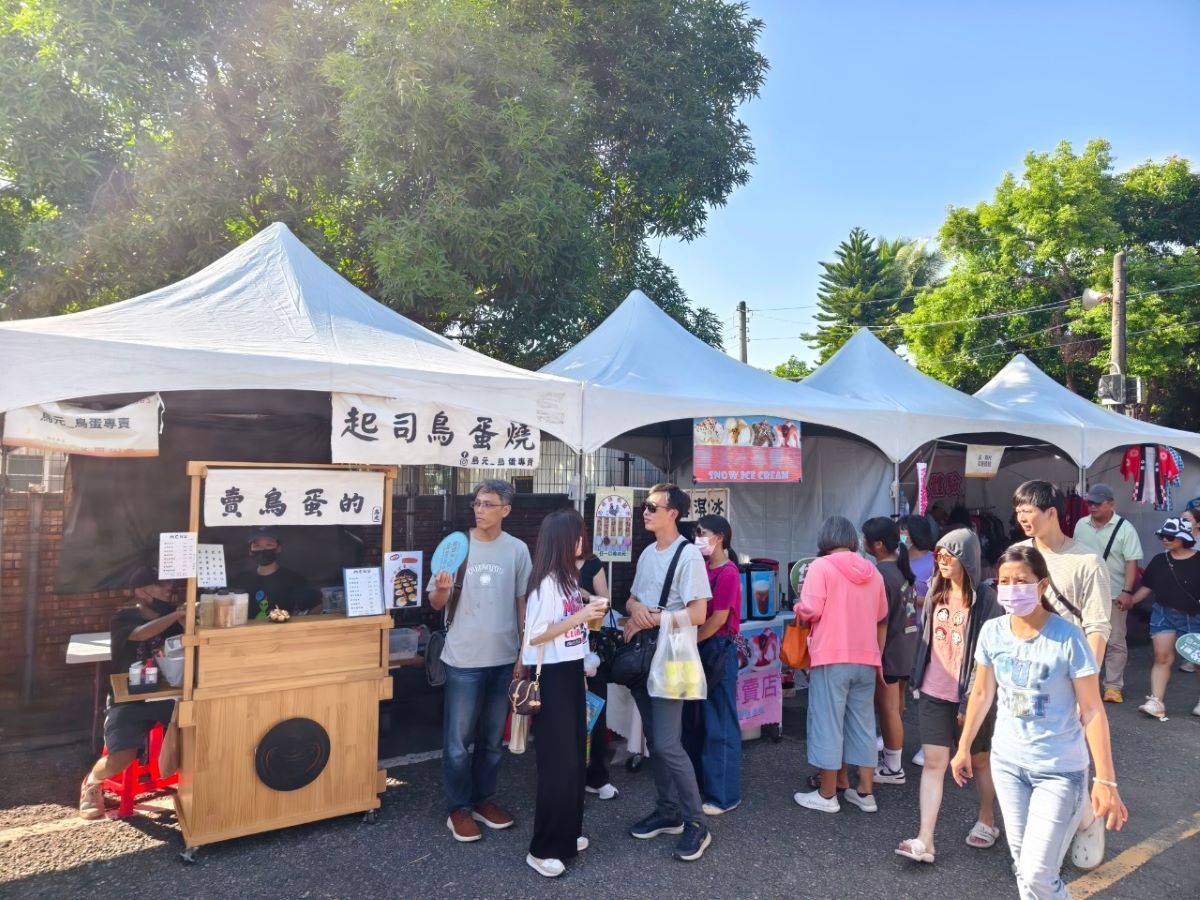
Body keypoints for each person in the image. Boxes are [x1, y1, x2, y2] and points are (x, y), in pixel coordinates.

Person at [953, 544, 1128, 900]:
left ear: (1042, 585)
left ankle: (1085, 816)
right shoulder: (992, 632)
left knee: (1036, 873)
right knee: (1025, 868)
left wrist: (1106, 779)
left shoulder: (1068, 637)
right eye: (1005, 581)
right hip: (1008, 765)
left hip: (1059, 770)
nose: (1013, 588)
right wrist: (963, 747)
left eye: (1022, 581)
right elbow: (983, 693)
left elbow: (1092, 709)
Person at [429, 479, 532, 843]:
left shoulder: (518, 550)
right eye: (477, 503)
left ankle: (484, 800)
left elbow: (523, 603)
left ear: (506, 510)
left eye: (488, 504)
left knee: (491, 741)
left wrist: (524, 652)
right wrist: (441, 590)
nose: (480, 509)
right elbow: (436, 603)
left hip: (504, 658)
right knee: (458, 742)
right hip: (463, 658)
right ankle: (458, 807)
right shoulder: (456, 546)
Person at [896, 529, 1001, 864]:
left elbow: (987, 658)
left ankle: (987, 819)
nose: (940, 561)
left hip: (973, 695)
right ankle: (925, 839)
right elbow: (926, 642)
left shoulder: (987, 601)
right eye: (938, 554)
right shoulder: (935, 594)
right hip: (932, 691)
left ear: (966, 559)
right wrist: (916, 678)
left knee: (980, 760)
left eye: (948, 555)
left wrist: (969, 700)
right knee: (934, 763)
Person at [622, 483, 713, 861]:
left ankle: (696, 822)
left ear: (673, 512)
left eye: (652, 506)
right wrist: (636, 611)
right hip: (645, 656)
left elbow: (699, 614)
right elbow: (630, 599)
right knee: (657, 741)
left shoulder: (689, 555)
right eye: (644, 506)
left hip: (672, 657)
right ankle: (668, 810)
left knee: (668, 743)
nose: (644, 512)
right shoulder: (646, 553)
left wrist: (652, 618)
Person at [521, 509, 609, 877]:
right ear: (562, 541)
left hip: (572, 673)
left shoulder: (568, 580)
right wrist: (580, 616)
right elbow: (535, 634)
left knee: (575, 759)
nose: (581, 542)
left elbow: (575, 632)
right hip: (552, 678)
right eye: (577, 536)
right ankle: (544, 848)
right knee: (558, 765)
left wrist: (590, 616)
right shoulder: (546, 584)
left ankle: (568, 834)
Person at [792, 515, 888, 815]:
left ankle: (827, 793)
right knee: (862, 724)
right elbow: (880, 613)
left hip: (831, 656)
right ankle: (865, 793)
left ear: (825, 539)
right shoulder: (873, 571)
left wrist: (797, 606)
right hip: (866, 656)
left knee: (827, 723)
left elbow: (811, 609)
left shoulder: (821, 567)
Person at [79, 567, 185, 820]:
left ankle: (193, 792)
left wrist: (186, 619)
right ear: (142, 590)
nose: (168, 589)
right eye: (161, 584)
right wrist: (176, 616)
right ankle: (92, 782)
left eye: (169, 584)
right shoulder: (124, 617)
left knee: (196, 735)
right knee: (121, 758)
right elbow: (140, 634)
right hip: (129, 697)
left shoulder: (172, 615)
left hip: (169, 692)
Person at [1011, 481, 1112, 667]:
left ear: (1051, 513)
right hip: (1022, 662)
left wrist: (1088, 678)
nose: (1021, 518)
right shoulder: (1016, 555)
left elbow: (1097, 625)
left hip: (1067, 663)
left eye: (1027, 511)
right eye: (1018, 512)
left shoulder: (1088, 560)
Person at [683, 513, 743, 816]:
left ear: (719, 537)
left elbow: (719, 618)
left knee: (720, 722)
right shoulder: (705, 568)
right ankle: (706, 786)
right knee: (701, 720)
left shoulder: (729, 572)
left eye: (702, 533)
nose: (698, 538)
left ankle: (724, 795)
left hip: (717, 647)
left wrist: (692, 641)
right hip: (705, 646)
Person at [1122, 517, 1200, 720]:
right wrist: (1129, 601)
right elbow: (1147, 587)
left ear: (1183, 538)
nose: (1165, 539)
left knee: (1198, 660)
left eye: (1170, 536)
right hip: (1163, 613)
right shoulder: (1159, 560)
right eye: (1162, 535)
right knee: (1161, 657)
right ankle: (1156, 701)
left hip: (1194, 615)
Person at [1071, 484, 1143, 704]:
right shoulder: (1081, 524)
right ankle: (1082, 684)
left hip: (1113, 592)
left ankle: (1113, 686)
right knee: (1080, 638)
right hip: (1083, 592)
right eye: (1089, 503)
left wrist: (1127, 591)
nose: (1091, 507)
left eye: (1097, 503)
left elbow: (1132, 562)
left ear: (1111, 504)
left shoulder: (1125, 528)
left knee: (1115, 641)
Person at [863, 517, 918, 787]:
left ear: (878, 544)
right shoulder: (898, 569)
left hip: (890, 651)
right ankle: (891, 758)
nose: (863, 544)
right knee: (896, 707)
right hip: (905, 646)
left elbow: (880, 622)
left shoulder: (882, 575)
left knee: (888, 709)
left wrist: (876, 659)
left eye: (866, 539)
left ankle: (893, 767)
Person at [580, 549, 618, 801]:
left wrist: (587, 597)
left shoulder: (592, 564)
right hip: (560, 654)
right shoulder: (551, 564)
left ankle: (598, 777)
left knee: (595, 713)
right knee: (565, 720)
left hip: (591, 652)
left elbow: (606, 603)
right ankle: (570, 777)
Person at [235, 526, 321, 617]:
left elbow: (316, 607)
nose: (263, 550)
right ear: (250, 551)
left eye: (269, 545)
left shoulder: (294, 580)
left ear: (278, 548)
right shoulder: (241, 580)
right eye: (257, 546)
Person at [1181, 507, 1200, 675]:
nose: (1184, 523)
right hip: (1185, 590)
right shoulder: (1178, 540)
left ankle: (1191, 659)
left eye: (1187, 520)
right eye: (1182, 519)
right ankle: (1189, 657)